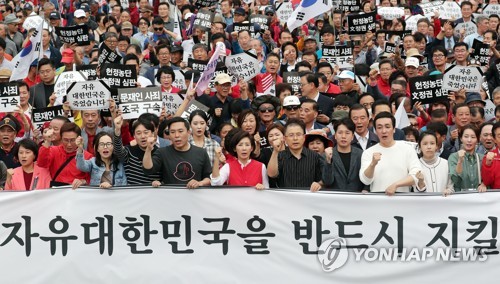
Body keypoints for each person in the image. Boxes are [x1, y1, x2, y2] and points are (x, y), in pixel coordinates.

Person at [360, 112, 422, 195]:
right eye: (379, 127)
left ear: (394, 129)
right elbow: (365, 180)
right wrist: (372, 164)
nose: (384, 131)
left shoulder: (407, 148)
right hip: (378, 202)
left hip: (403, 201)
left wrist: (396, 185)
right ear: (375, 130)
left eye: (387, 127)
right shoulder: (368, 152)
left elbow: (417, 175)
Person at [143, 117, 212, 188]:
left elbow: (209, 177)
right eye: (172, 132)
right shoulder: (162, 152)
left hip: (195, 196)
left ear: (188, 133)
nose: (176, 135)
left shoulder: (201, 152)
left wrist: (200, 183)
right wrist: (148, 149)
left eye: (180, 131)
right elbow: (148, 169)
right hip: (170, 196)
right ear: (169, 134)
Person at [267, 118, 324, 191]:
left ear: (304, 137)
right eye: (291, 135)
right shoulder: (279, 156)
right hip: (285, 199)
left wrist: (319, 184)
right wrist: (275, 151)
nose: (295, 138)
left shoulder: (315, 156)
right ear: (285, 138)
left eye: (298, 134)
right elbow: (271, 174)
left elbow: (323, 180)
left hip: (308, 199)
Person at [37, 122, 92, 188]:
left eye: (72, 140)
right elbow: (41, 164)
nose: (69, 144)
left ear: (79, 138)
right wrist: (47, 142)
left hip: (77, 192)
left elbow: (93, 178)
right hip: (57, 191)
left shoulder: (87, 156)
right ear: (61, 138)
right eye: (65, 140)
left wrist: (83, 181)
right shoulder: (54, 150)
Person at [113, 115, 161, 186]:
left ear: (153, 134)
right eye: (138, 133)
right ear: (134, 136)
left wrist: (160, 183)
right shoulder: (129, 151)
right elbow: (118, 150)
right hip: (133, 195)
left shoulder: (160, 153)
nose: (143, 136)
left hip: (154, 194)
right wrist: (117, 130)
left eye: (146, 132)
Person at [323, 118, 366, 192]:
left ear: (352, 136)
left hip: (357, 198)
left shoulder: (361, 154)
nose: (343, 136)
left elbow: (366, 178)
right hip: (336, 199)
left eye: (347, 133)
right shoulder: (326, 155)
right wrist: (328, 161)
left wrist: (366, 189)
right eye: (340, 132)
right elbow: (327, 182)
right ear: (335, 136)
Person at [448, 125, 486, 191]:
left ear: (478, 139)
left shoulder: (482, 158)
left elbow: (488, 179)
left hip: (478, 197)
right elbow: (455, 181)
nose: (469, 140)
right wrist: (460, 161)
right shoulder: (453, 157)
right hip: (460, 197)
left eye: (473, 137)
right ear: (461, 138)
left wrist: (484, 184)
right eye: (466, 136)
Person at [481, 121, 500, 190]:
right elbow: (487, 182)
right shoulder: (488, 157)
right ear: (494, 140)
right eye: (499, 136)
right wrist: (488, 164)